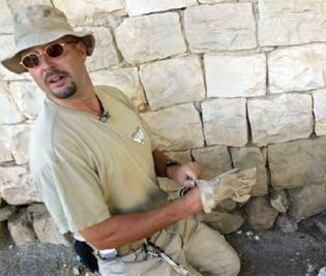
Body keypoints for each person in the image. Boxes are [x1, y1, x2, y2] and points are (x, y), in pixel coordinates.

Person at [1, 5, 256, 276]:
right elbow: (101, 235)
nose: (46, 67)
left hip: (170, 226)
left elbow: (145, 148)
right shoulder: (54, 147)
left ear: (82, 50)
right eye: (32, 60)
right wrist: (189, 205)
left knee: (229, 267)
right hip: (131, 253)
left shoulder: (112, 96)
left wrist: (173, 169)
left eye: (54, 50)